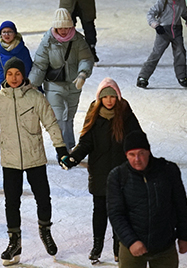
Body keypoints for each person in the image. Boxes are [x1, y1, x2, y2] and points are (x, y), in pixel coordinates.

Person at [0, 57, 68, 265]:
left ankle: (45, 230)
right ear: (5, 76)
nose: (14, 78)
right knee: (12, 202)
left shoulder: (36, 97)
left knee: (43, 197)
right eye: (10, 74)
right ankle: (14, 241)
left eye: (17, 74)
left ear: (23, 74)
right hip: (10, 159)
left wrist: (60, 147)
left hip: (34, 156)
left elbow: (51, 123)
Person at [59, 78, 142, 264]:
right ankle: (97, 246)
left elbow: (138, 139)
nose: (110, 101)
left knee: (120, 213)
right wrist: (73, 158)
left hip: (122, 174)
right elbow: (86, 143)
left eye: (113, 96)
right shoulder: (94, 116)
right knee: (100, 211)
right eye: (106, 97)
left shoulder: (125, 115)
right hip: (100, 172)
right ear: (100, 99)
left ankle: (118, 247)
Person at [107, 131, 187, 267]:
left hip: (164, 246)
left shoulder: (168, 171)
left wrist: (184, 236)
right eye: (132, 154)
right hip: (132, 248)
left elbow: (180, 205)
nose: (137, 159)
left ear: (148, 152)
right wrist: (131, 241)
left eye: (141, 153)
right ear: (126, 155)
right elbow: (116, 214)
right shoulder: (117, 176)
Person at [28, 8, 94, 150]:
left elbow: (86, 58)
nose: (64, 30)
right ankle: (62, 149)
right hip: (54, 85)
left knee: (69, 118)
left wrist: (82, 74)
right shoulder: (47, 41)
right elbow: (40, 64)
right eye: (60, 27)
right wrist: (32, 83)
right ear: (55, 27)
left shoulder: (78, 40)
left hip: (74, 84)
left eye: (66, 27)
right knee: (59, 118)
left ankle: (69, 146)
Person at [136, 0, 187, 89]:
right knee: (156, 54)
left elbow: (186, 14)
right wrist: (156, 26)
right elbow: (150, 14)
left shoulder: (181, 1)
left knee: (180, 53)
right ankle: (143, 77)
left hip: (176, 31)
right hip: (163, 31)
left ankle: (182, 77)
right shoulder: (162, 2)